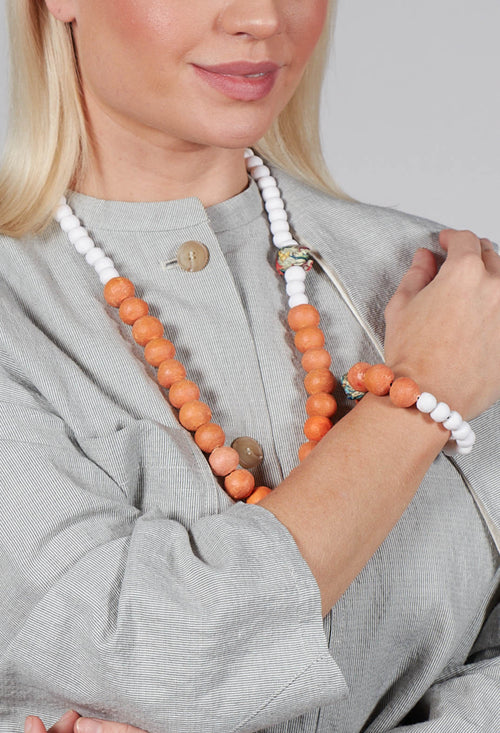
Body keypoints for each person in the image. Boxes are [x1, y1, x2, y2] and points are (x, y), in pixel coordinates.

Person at [1, 0, 498, 731]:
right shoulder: (454, 340)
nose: (262, 18)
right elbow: (153, 657)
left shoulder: (456, 292)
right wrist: (416, 402)